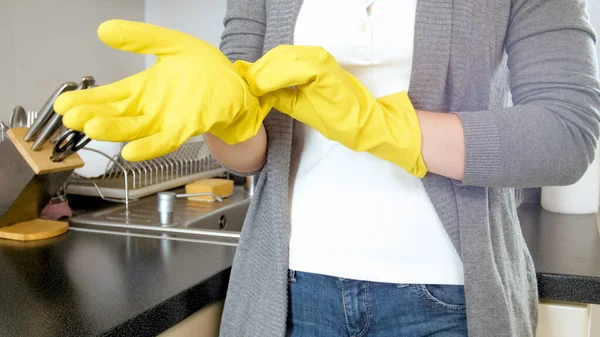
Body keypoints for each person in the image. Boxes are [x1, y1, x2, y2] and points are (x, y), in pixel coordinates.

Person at [54, 0, 600, 336]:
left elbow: (566, 133)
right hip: (288, 294)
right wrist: (226, 115)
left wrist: (384, 127)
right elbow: (251, 152)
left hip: (449, 300)